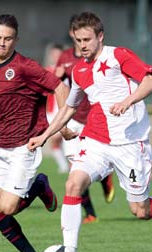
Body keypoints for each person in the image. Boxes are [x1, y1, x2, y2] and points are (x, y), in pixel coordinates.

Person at [28, 12, 152, 252]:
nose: (83, 45)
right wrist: (46, 134)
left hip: (131, 145)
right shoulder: (79, 70)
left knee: (140, 210)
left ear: (100, 37)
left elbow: (150, 82)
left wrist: (127, 101)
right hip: (96, 141)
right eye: (78, 40)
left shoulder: (118, 56)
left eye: (87, 39)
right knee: (72, 185)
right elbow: (69, 107)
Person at [0, 14, 70, 252]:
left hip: (23, 146)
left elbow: (60, 88)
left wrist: (63, 125)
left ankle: (39, 185)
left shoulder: (26, 66)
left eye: (7, 39)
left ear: (15, 40)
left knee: (8, 207)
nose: (2, 43)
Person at [55, 15, 115, 224]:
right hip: (74, 117)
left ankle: (105, 177)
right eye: (75, 34)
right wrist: (58, 75)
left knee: (80, 171)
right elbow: (59, 87)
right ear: (72, 34)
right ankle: (90, 213)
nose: (79, 40)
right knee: (75, 171)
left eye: (84, 37)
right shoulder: (64, 57)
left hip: (94, 119)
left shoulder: (100, 58)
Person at [44, 43, 69, 174]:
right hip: (50, 110)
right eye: (53, 54)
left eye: (58, 54)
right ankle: (63, 165)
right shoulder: (47, 71)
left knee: (62, 137)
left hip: (65, 109)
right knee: (54, 140)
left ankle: (68, 165)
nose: (55, 56)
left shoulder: (68, 71)